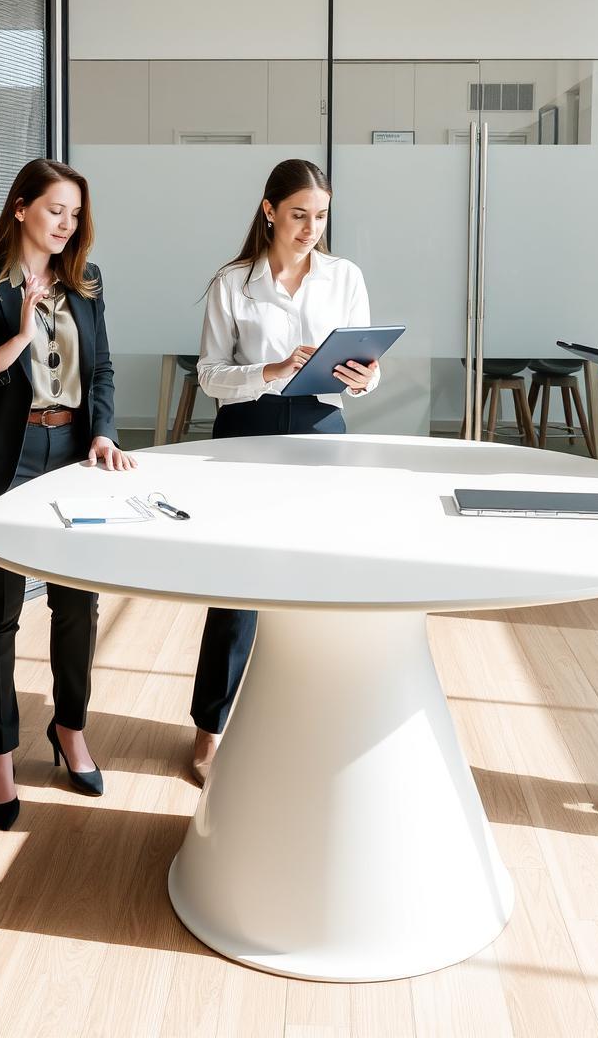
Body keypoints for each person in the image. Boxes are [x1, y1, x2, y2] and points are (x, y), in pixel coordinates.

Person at [0, 158, 134, 830]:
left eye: (75, 214)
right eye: (56, 210)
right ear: (20, 208)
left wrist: (102, 433)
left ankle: (70, 728)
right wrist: (18, 336)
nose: (67, 224)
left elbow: (101, 369)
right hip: (0, 463)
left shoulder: (87, 281)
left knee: (78, 603)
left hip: (72, 460)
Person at [186, 159, 378, 783]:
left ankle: (310, 726)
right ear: (269, 210)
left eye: (320, 216)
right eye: (299, 215)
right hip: (245, 435)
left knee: (318, 585)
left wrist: (366, 375)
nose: (310, 228)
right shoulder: (233, 282)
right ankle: (211, 728)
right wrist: (270, 370)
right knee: (237, 588)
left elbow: (367, 368)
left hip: (322, 432)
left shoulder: (343, 276)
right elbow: (210, 376)